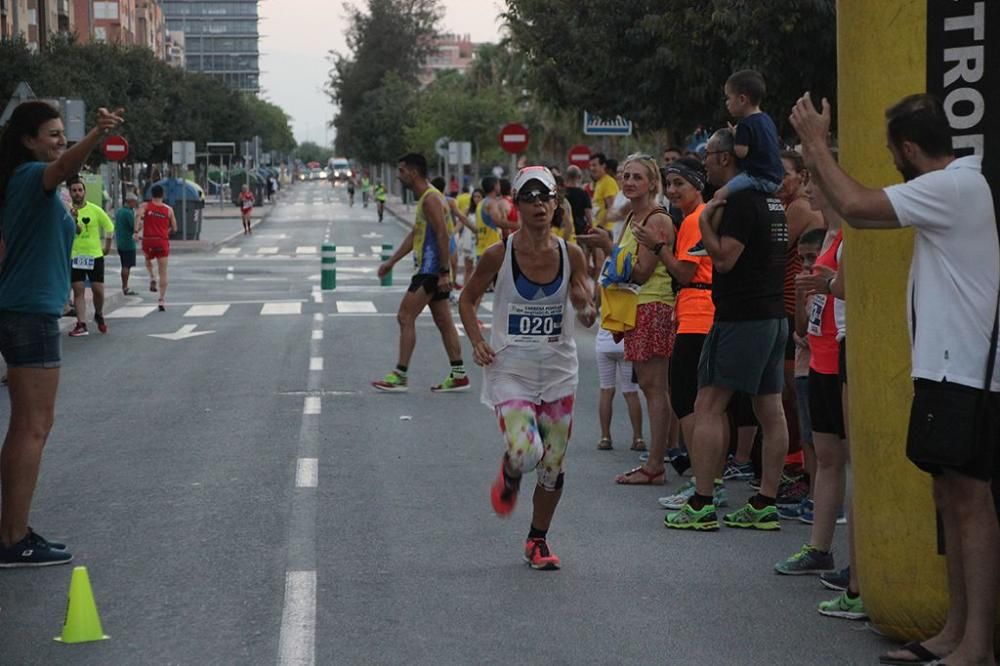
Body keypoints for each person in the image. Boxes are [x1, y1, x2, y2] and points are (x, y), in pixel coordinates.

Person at [792, 91, 1000, 666]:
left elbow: (856, 206)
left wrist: (814, 144)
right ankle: (955, 633)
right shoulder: (955, 188)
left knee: (970, 501)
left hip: (964, 372)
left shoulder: (954, 187)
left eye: (891, 152)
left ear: (909, 148)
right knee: (949, 494)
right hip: (946, 369)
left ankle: (977, 645)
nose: (891, 163)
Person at [0, 101, 124, 567]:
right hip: (29, 311)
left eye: (60, 132)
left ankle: (11, 530)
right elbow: (65, 165)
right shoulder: (34, 177)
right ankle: (12, 538)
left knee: (25, 426)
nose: (59, 140)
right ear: (28, 140)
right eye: (51, 133)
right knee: (33, 427)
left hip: (24, 307)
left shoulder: (22, 182)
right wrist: (95, 133)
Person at [459, 166, 596, 570]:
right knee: (526, 450)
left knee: (552, 465)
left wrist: (588, 310)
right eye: (529, 198)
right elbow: (466, 300)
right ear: (515, 205)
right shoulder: (498, 254)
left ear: (556, 204)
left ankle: (537, 539)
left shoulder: (570, 254)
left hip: (558, 372)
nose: (538, 205)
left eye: (545, 198)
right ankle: (511, 467)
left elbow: (582, 301)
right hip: (511, 370)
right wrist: (479, 341)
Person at [663, 128, 789, 531]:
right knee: (769, 408)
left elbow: (725, 259)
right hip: (771, 314)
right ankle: (765, 500)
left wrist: (706, 224)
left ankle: (702, 502)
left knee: (708, 406)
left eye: (709, 155)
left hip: (743, 316)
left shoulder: (737, 202)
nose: (705, 162)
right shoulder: (771, 200)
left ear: (725, 157)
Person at [580, 154, 680, 486]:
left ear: (653, 183)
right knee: (651, 386)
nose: (629, 182)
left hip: (654, 305)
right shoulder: (632, 218)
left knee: (654, 387)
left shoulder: (655, 219)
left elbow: (641, 272)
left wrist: (607, 247)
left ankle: (656, 462)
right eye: (625, 176)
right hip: (636, 309)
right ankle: (657, 458)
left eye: (637, 176)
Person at [774, 189, 845, 574]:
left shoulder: (848, 234)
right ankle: (819, 549)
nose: (807, 191)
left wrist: (828, 284)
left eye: (815, 182)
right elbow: (805, 321)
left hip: (841, 358)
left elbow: (845, 288)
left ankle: (863, 569)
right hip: (818, 358)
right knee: (826, 457)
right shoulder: (827, 238)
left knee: (849, 461)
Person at [373, 154, 469, 393]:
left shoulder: (431, 199)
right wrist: (392, 261)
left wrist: (444, 272)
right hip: (432, 268)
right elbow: (416, 232)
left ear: (414, 172)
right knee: (444, 321)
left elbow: (442, 235)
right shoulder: (428, 197)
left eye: (402, 171)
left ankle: (400, 375)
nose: (399, 175)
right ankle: (458, 374)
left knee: (405, 317)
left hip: (431, 269)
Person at [693, 70, 784, 256]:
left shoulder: (745, 124)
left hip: (756, 176)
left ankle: (708, 238)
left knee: (720, 196)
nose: (727, 103)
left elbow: (742, 152)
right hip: (775, 177)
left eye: (728, 98)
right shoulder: (766, 120)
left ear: (742, 99)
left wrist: (737, 137)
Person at [66, 176, 114, 337]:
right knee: (78, 291)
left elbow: (109, 226)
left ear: (84, 192)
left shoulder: (95, 210)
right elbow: (70, 231)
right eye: (74, 190)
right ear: (70, 193)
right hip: (75, 255)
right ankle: (81, 324)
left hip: (94, 255)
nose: (77, 193)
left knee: (97, 290)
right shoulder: (66, 211)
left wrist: (107, 247)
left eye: (80, 190)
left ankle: (98, 314)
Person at [135, 184, 178, 312]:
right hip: (162, 241)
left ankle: (152, 277)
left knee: (148, 260)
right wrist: (166, 231)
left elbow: (138, 216)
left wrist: (136, 231)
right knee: (163, 272)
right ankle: (161, 299)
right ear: (163, 195)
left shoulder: (145, 206)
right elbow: (175, 228)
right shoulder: (168, 209)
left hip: (148, 240)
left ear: (151, 195)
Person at [115, 192, 139, 296]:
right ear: (130, 201)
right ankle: (125, 287)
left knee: (124, 264)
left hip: (120, 242)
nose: (135, 204)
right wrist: (139, 224)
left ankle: (124, 286)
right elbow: (134, 228)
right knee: (126, 266)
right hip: (128, 243)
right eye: (134, 202)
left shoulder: (120, 211)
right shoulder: (128, 213)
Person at [589, 153, 620, 231]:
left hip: (606, 230)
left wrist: (600, 227)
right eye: (591, 165)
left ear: (603, 166)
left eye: (594, 165)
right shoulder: (600, 182)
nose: (592, 168)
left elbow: (611, 207)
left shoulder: (608, 182)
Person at [458, 189, 482, 287]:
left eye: (479, 196)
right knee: (468, 267)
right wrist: (453, 233)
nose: (476, 199)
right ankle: (465, 288)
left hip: (480, 240)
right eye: (475, 196)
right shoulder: (468, 210)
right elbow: (460, 223)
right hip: (468, 240)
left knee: (478, 268)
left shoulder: (485, 210)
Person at [563, 165, 593, 236]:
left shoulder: (562, 193)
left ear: (567, 177)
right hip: (579, 229)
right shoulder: (583, 193)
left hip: (564, 228)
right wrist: (591, 226)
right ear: (579, 177)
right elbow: (588, 214)